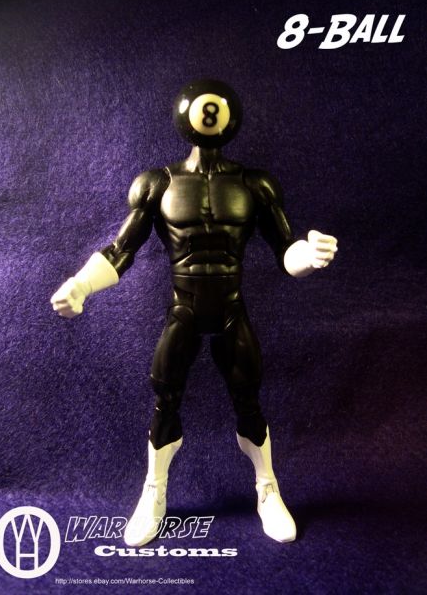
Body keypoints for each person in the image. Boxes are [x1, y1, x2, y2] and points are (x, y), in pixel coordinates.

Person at [51, 79, 338, 546]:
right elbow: (122, 250)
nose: (209, 118)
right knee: (165, 397)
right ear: (187, 117)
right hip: (182, 308)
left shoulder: (254, 185)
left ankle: (267, 488)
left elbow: (285, 250)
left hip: (230, 308)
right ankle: (154, 490)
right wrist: (80, 284)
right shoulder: (157, 184)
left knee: (248, 397)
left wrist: (310, 254)